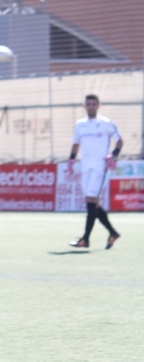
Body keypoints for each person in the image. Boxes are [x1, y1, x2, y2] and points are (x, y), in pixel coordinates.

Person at [67, 94, 123, 249]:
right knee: (92, 204)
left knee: (91, 202)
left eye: (94, 104)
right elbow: (76, 144)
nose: (91, 106)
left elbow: (119, 141)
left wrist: (114, 157)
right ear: (84, 106)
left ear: (99, 106)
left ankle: (85, 239)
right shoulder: (80, 125)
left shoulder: (106, 123)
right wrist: (71, 159)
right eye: (88, 104)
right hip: (86, 168)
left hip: (100, 168)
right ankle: (112, 232)